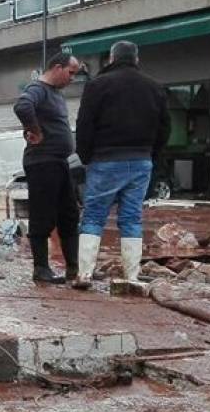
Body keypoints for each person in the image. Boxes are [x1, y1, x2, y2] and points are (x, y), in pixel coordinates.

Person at [72, 41, 171, 288]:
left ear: (111, 59)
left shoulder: (97, 85)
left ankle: (84, 275)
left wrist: (86, 156)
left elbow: (84, 124)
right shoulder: (155, 87)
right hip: (141, 161)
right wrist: (151, 155)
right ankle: (132, 277)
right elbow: (164, 128)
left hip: (104, 160)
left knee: (94, 216)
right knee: (132, 218)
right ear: (136, 59)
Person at [13, 53, 82, 283]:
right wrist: (35, 130)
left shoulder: (56, 94)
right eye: (71, 72)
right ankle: (41, 268)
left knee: (69, 215)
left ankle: (74, 267)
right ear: (57, 67)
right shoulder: (38, 89)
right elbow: (23, 106)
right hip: (43, 161)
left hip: (60, 161)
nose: (72, 78)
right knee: (43, 215)